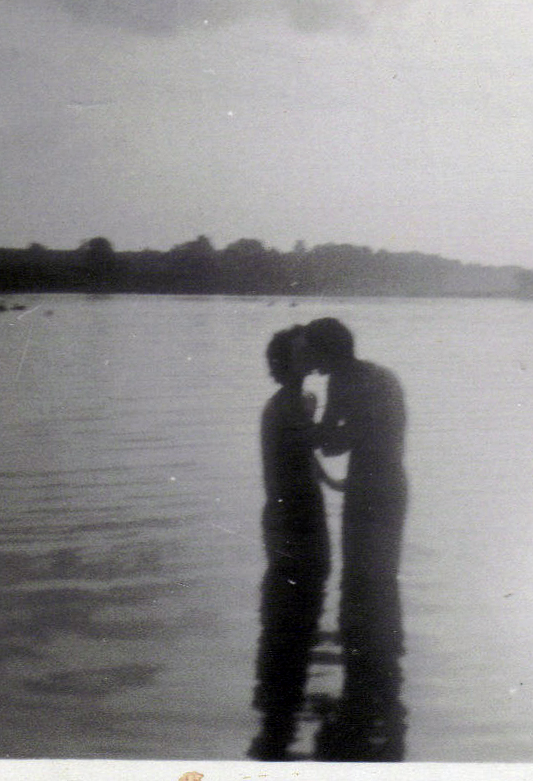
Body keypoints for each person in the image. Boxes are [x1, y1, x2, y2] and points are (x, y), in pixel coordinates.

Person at [299, 318, 408, 759]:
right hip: (392, 485)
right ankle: (381, 678)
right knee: (381, 583)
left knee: (358, 586)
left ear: (326, 354)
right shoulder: (382, 376)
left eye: (312, 352)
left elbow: (334, 444)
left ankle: (370, 675)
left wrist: (304, 427)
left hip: (367, 490)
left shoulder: (343, 384)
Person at [248, 325, 331, 760]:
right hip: (292, 515)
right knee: (298, 600)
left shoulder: (288, 404)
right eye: (301, 352)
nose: (309, 356)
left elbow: (303, 454)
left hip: (295, 511)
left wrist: (330, 479)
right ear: (285, 361)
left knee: (292, 605)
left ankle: (278, 708)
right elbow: (311, 442)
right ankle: (279, 715)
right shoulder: (289, 406)